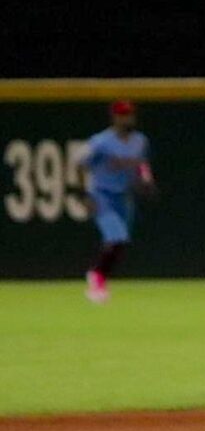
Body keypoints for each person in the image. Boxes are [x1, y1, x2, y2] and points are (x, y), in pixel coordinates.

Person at [81, 99, 154, 303]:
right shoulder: (100, 141)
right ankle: (96, 278)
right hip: (103, 195)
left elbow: (141, 164)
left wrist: (146, 179)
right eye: (122, 114)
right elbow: (81, 164)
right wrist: (86, 194)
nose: (126, 118)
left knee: (119, 243)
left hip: (124, 197)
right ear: (114, 117)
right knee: (117, 238)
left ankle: (99, 276)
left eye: (129, 114)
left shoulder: (140, 140)